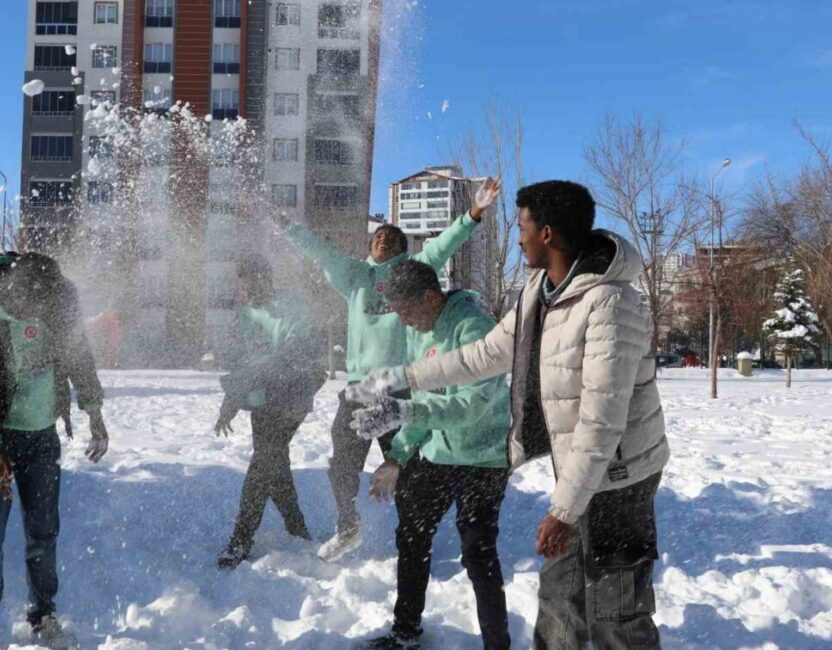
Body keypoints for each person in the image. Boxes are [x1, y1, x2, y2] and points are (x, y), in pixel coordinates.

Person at [349, 181, 669, 649]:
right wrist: (402, 377)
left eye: (521, 227)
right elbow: (485, 354)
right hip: (578, 469)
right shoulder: (541, 290)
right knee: (560, 602)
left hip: (619, 478)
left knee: (615, 610)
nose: (517, 239)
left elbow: (603, 419)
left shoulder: (610, 303)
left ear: (547, 233)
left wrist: (563, 510)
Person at [275, 178, 502, 562]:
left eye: (391, 237)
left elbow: (442, 244)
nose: (383, 239)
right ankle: (347, 527)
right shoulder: (355, 278)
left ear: (402, 248)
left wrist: (474, 213)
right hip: (360, 387)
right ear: (368, 247)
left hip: (403, 387)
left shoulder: (415, 271)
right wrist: (288, 227)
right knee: (341, 463)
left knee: (405, 467)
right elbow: (321, 252)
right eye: (378, 236)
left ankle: (412, 532)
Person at [347, 260, 512, 650]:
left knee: (477, 552)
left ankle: (497, 645)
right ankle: (405, 634)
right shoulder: (421, 330)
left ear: (429, 297)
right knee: (412, 535)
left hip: (482, 458)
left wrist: (408, 411)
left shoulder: (474, 328)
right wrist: (398, 457)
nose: (404, 323)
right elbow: (426, 400)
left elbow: (470, 406)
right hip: (437, 452)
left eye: (406, 312)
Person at [0, 252, 109, 650]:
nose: (29, 315)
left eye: (37, 309)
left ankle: (43, 612)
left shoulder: (57, 297)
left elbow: (78, 354)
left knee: (43, 530)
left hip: (41, 435)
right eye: (22, 307)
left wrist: (93, 411)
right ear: (9, 292)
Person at [214, 255, 327, 569]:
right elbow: (241, 361)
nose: (246, 289)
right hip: (262, 396)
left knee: (264, 460)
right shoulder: (245, 314)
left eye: (252, 281)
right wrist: (231, 401)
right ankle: (297, 528)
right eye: (242, 283)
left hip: (293, 394)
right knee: (273, 461)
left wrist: (249, 382)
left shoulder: (292, 306)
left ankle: (240, 539)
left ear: (266, 278)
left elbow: (292, 355)